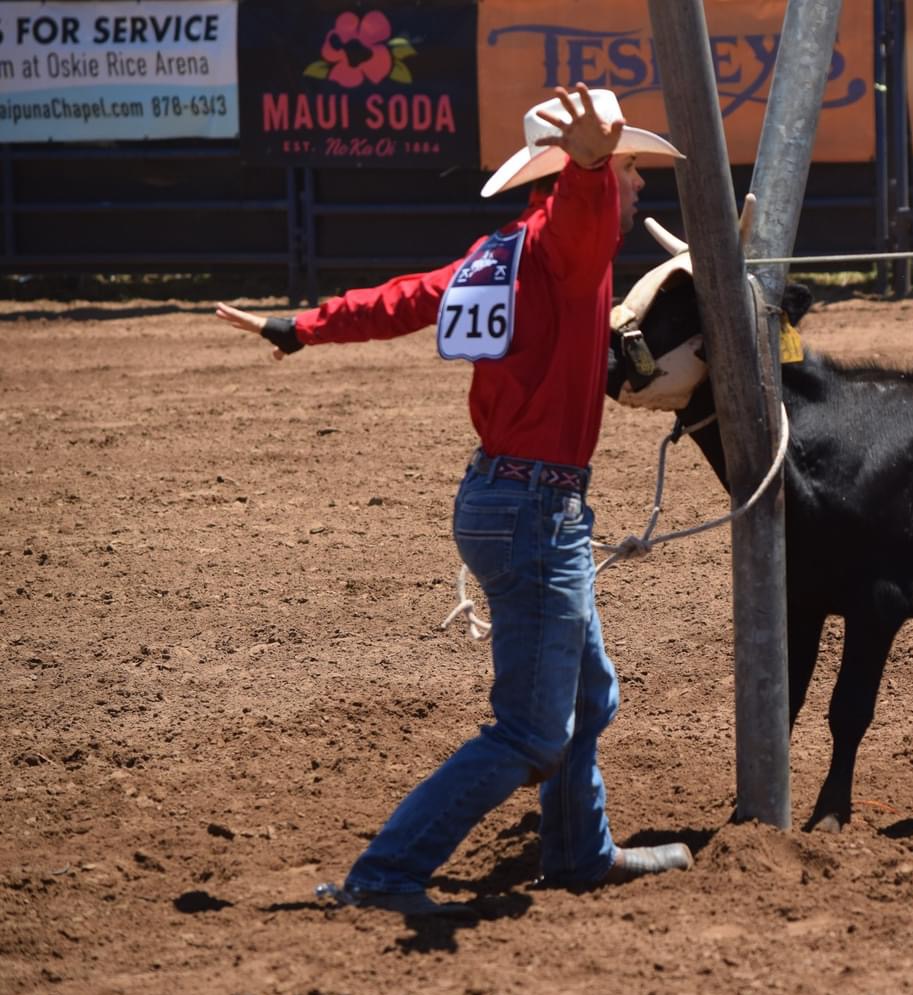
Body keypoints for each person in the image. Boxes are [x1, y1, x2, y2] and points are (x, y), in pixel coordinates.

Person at [215, 85, 692, 916]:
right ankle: (388, 873)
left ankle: (581, 851)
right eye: (630, 171)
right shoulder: (569, 246)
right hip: (538, 512)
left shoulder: (497, 253)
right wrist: (587, 168)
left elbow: (401, 300)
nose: (640, 186)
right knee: (533, 732)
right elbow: (580, 214)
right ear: (584, 176)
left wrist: (301, 326)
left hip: (502, 500)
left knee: (588, 696)